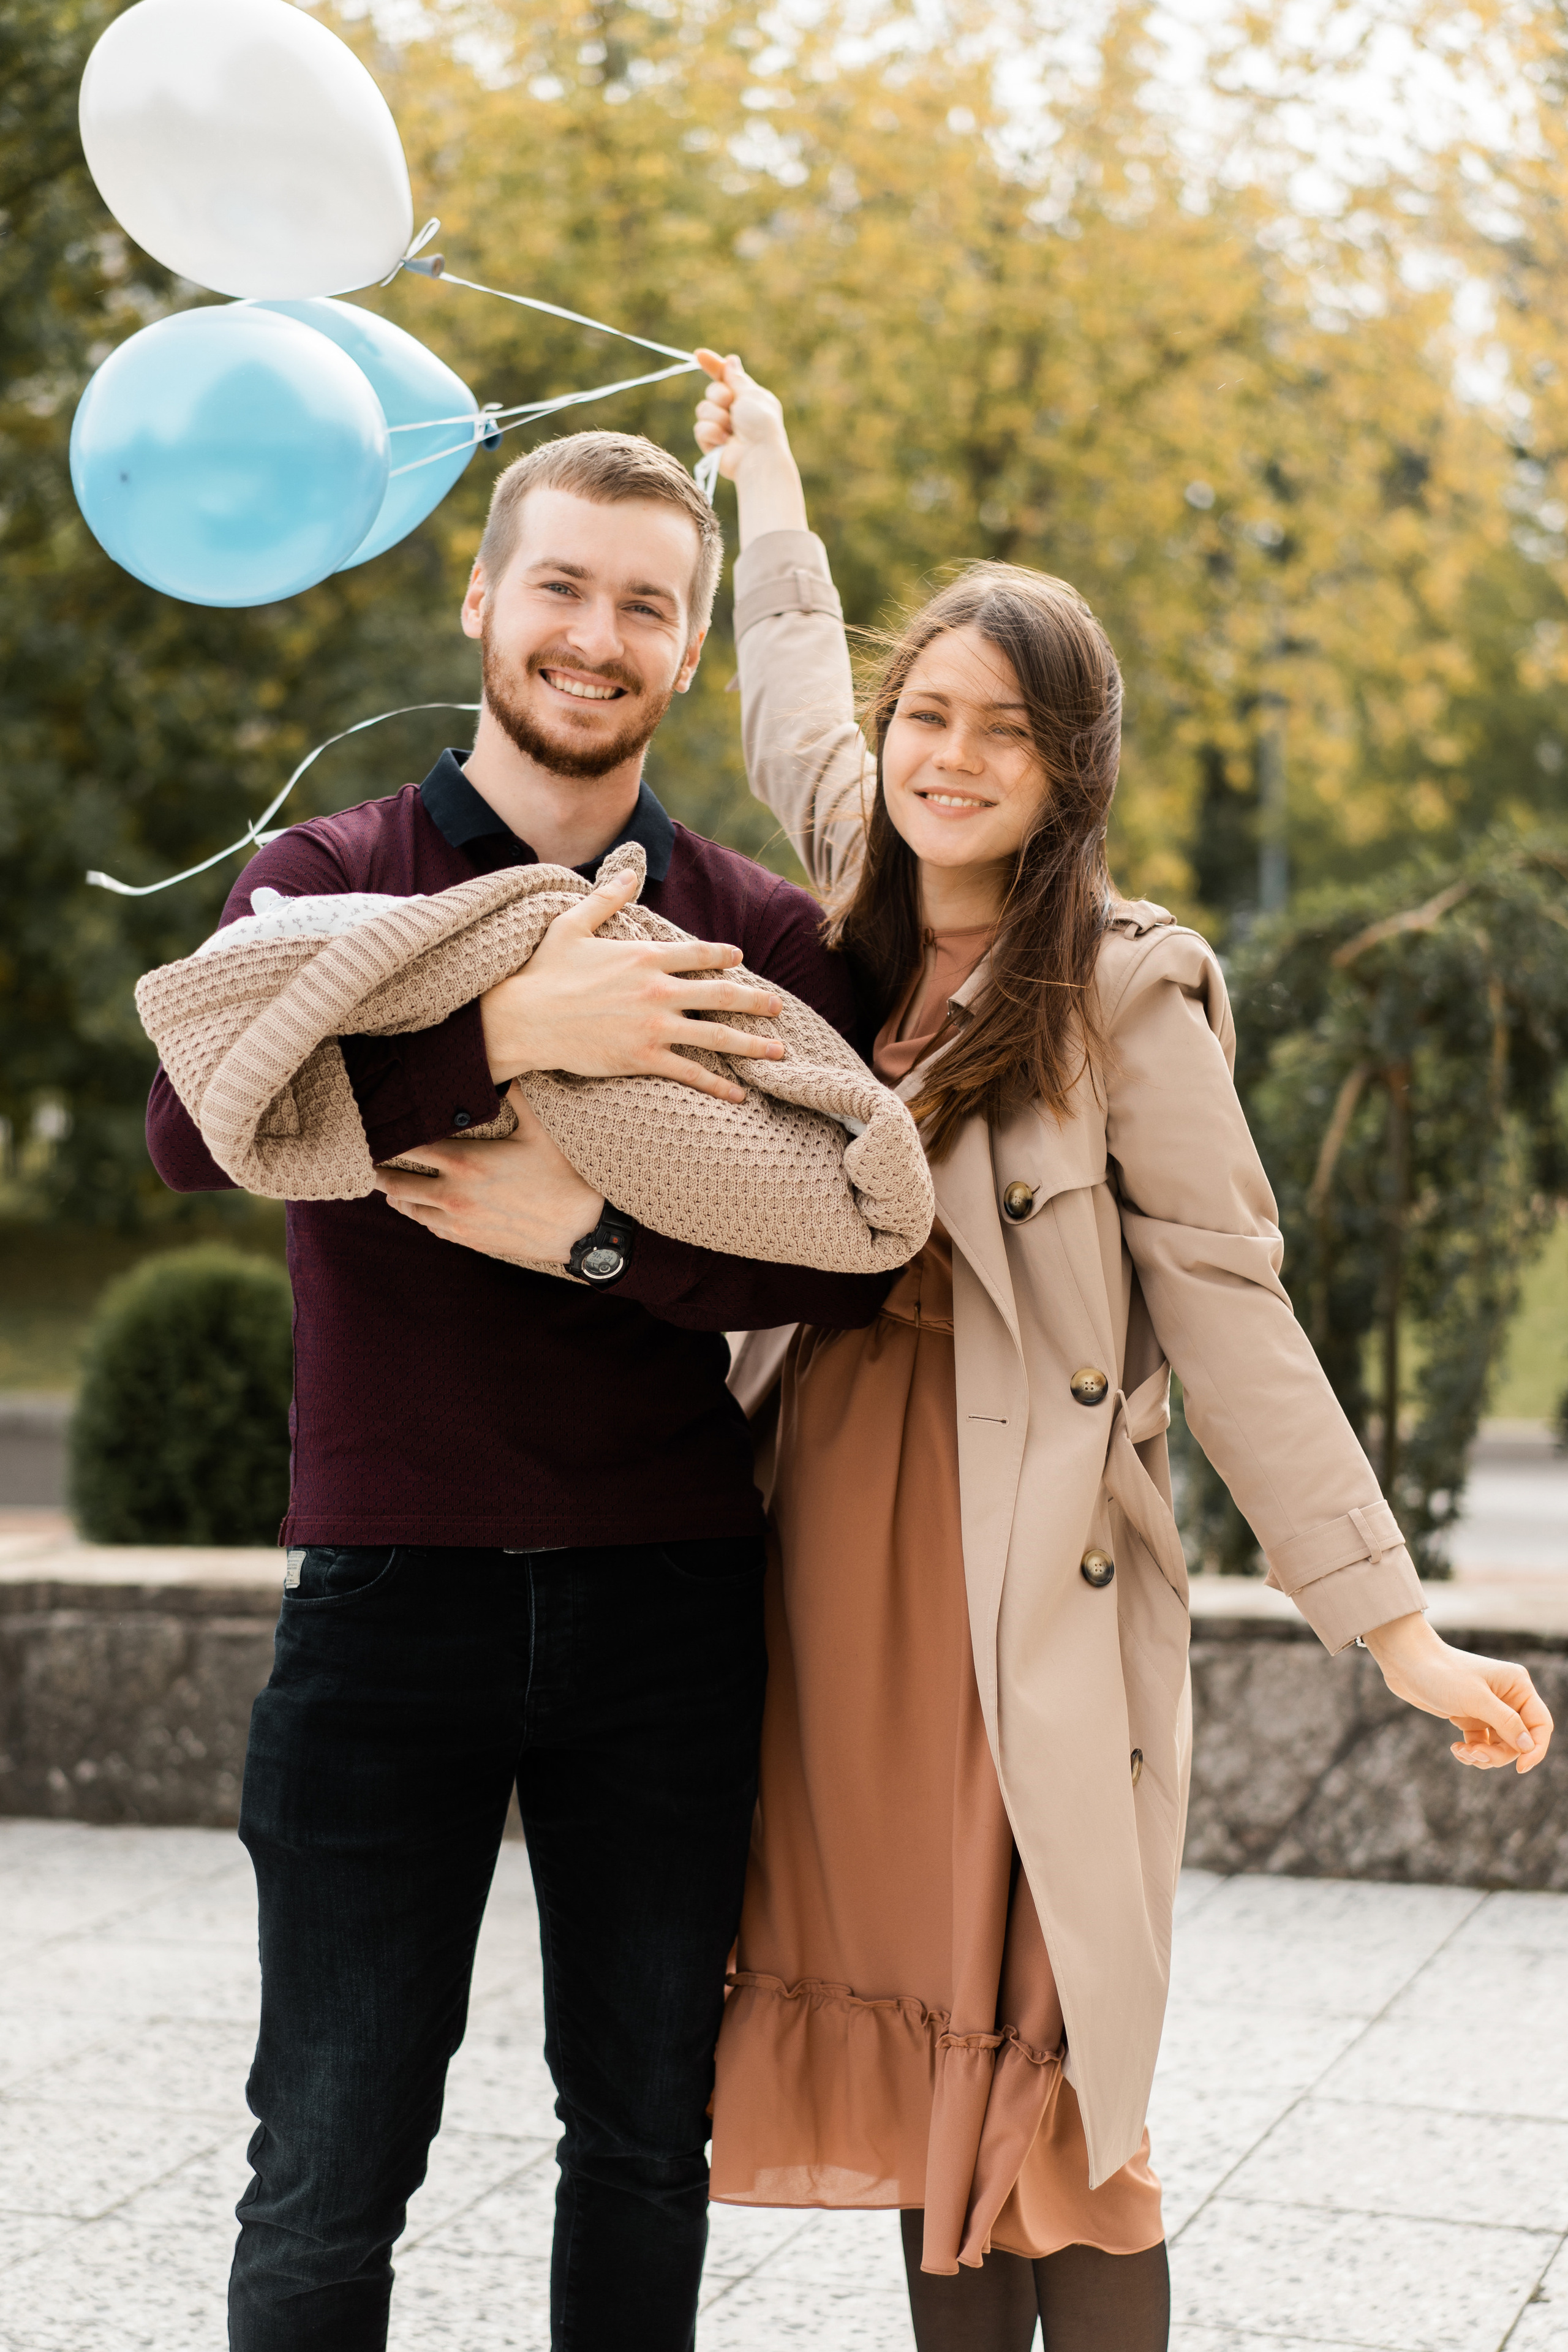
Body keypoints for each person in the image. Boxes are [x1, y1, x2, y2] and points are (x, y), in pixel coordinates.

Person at [690, 352, 1558, 2352]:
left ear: (1071, 770)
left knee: (1065, 2084)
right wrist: (779, 488)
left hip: (1035, 1592)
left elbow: (1241, 1320)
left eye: (1006, 731)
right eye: (934, 717)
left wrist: (1393, 1630)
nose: (949, 756)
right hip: (832, 1573)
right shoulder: (854, 907)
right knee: (933, 2090)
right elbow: (792, 693)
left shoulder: (1127, 1000)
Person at [144, 429, 903, 2352]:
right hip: (389, 1597)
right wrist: (505, 1029)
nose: (597, 634)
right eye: (561, 585)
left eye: (648, 603)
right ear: (481, 599)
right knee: (329, 2154)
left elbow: (842, 1247)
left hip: (670, 1600)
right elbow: (194, 1127)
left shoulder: (760, 935)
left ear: (689, 644)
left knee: (644, 2139)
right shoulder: (330, 879)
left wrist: (594, 1239)